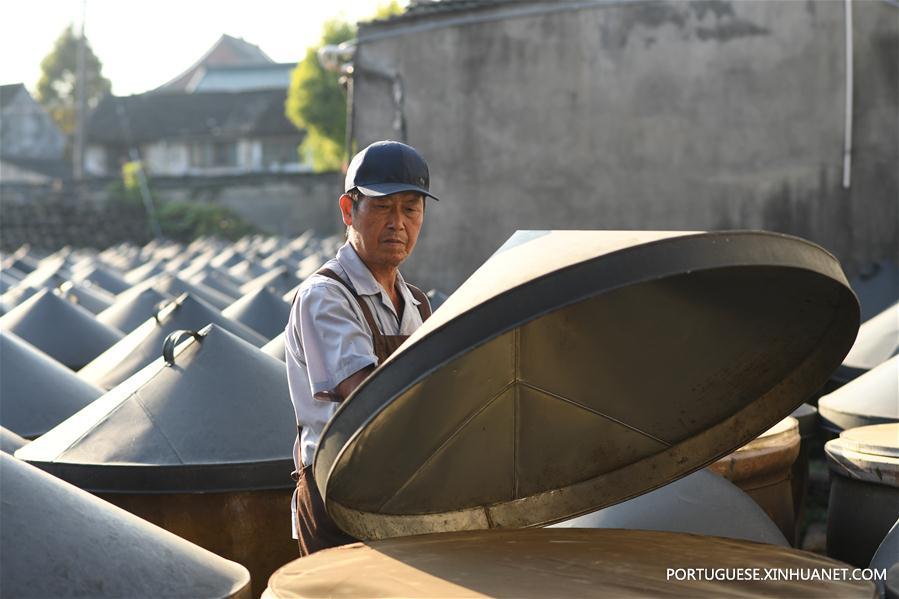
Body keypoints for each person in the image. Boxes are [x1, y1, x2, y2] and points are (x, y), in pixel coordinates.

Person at [284, 140, 439, 556]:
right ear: (349, 211)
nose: (398, 223)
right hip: (340, 503)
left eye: (411, 208)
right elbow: (370, 397)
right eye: (383, 206)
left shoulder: (417, 304)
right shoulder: (326, 297)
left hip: (398, 496)